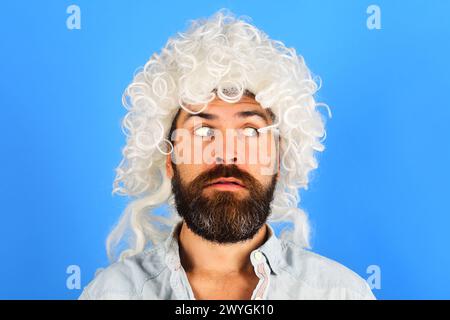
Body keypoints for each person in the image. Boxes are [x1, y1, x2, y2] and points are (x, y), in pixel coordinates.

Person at [79, 9, 375, 300]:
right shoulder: (111, 293)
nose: (227, 154)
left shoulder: (342, 293)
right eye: (204, 133)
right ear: (169, 159)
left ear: (278, 161)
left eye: (250, 132)